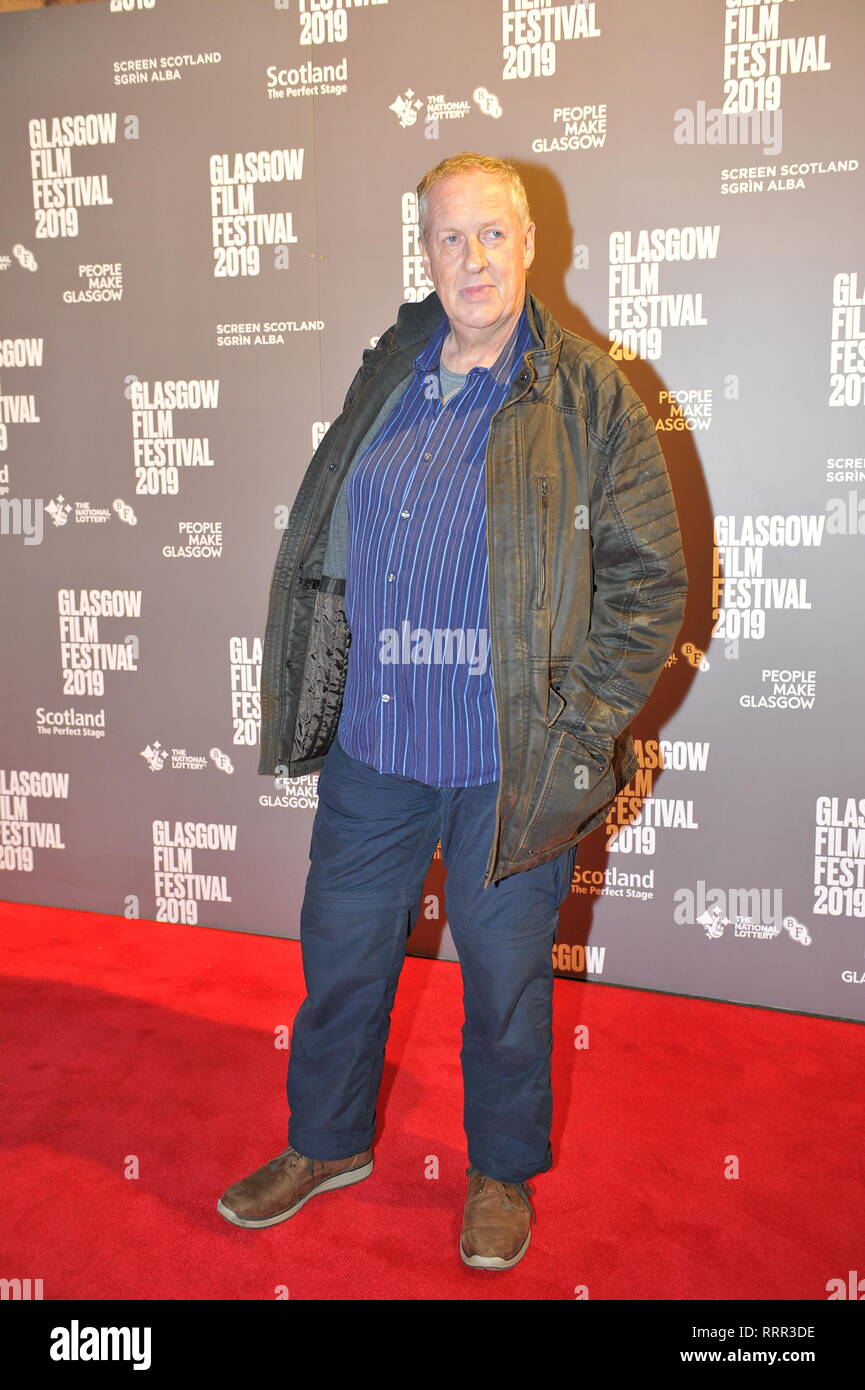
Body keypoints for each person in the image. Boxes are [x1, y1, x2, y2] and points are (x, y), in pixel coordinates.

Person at [218, 152, 688, 1270]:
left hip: (508, 762)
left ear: (529, 244)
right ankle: (327, 1143)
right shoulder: (390, 364)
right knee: (338, 956)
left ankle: (499, 1170)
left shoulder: (586, 392)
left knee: (506, 984)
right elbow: (334, 532)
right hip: (377, 748)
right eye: (446, 237)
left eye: (490, 235)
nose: (469, 259)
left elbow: (649, 582)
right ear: (421, 251)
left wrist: (575, 722)